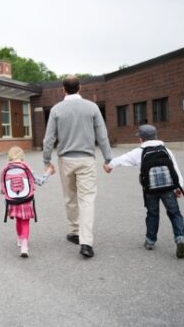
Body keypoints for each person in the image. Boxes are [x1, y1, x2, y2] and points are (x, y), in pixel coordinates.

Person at [43, 75, 112, 258]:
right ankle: (86, 242)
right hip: (86, 159)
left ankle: (74, 230)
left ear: (62, 89)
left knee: (70, 197)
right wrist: (108, 158)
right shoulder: (92, 107)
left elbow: (49, 138)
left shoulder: (56, 110)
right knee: (87, 200)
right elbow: (102, 135)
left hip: (65, 159)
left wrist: (46, 160)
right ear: (80, 88)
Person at [103, 124, 184, 258]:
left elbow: (122, 159)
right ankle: (180, 238)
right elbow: (175, 169)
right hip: (168, 188)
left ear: (141, 139)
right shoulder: (166, 150)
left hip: (150, 190)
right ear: (156, 136)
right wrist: (179, 187)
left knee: (152, 214)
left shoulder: (139, 152)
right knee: (175, 213)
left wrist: (109, 165)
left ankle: (150, 241)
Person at [1, 146, 53, 258]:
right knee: (25, 222)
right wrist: (48, 172)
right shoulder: (26, 167)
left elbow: (3, 189)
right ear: (22, 156)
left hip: (12, 202)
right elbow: (40, 181)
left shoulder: (5, 169)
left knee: (18, 220)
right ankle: (24, 246)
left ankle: (20, 239)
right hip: (26, 201)